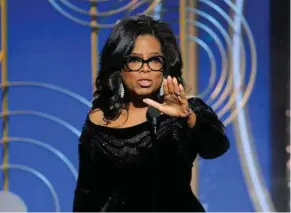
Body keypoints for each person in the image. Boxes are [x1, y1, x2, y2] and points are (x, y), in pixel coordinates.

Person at [73, 14, 229, 212]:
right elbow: (87, 193)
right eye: (134, 60)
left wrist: (187, 116)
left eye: (154, 60)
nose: (145, 69)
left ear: (165, 66)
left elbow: (216, 148)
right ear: (119, 66)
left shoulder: (186, 110)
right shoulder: (99, 119)